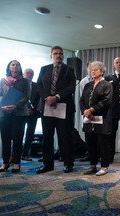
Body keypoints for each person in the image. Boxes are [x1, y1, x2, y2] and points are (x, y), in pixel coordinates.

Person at [36, 45, 76, 174]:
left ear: (63, 56)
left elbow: (71, 87)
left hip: (63, 107)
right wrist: (47, 97)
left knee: (65, 137)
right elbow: (38, 86)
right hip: (47, 107)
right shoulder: (44, 69)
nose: (58, 56)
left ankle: (68, 163)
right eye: (55, 54)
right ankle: (48, 164)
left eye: (60, 53)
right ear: (51, 56)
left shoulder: (69, 69)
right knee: (47, 137)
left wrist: (57, 97)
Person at [0, 60, 30, 173]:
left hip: (19, 113)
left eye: (17, 64)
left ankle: (16, 163)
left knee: (17, 139)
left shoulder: (24, 81)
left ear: (20, 68)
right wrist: (3, 105)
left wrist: (15, 106)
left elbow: (26, 96)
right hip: (4, 113)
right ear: (9, 67)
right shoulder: (3, 80)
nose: (15, 66)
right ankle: (5, 163)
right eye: (13, 64)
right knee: (5, 139)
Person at [80, 61, 113, 176]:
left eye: (95, 70)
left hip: (102, 117)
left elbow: (106, 101)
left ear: (102, 71)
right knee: (90, 143)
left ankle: (104, 167)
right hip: (89, 118)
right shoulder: (87, 85)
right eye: (91, 70)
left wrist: (92, 110)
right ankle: (92, 165)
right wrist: (85, 110)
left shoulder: (107, 85)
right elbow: (82, 100)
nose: (92, 72)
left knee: (103, 143)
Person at [21, 68, 41, 161]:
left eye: (31, 73)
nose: (29, 74)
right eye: (27, 72)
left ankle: (25, 154)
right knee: (18, 134)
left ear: (33, 75)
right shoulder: (18, 84)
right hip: (20, 113)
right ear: (24, 74)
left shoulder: (37, 86)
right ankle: (14, 155)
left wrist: (33, 109)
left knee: (30, 134)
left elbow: (39, 100)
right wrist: (26, 109)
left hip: (33, 113)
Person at [79, 61, 93, 162]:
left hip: (98, 111)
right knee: (88, 134)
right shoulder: (83, 82)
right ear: (87, 69)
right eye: (90, 67)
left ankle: (99, 154)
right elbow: (82, 98)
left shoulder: (102, 80)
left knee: (98, 134)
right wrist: (84, 111)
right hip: (87, 112)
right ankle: (89, 153)